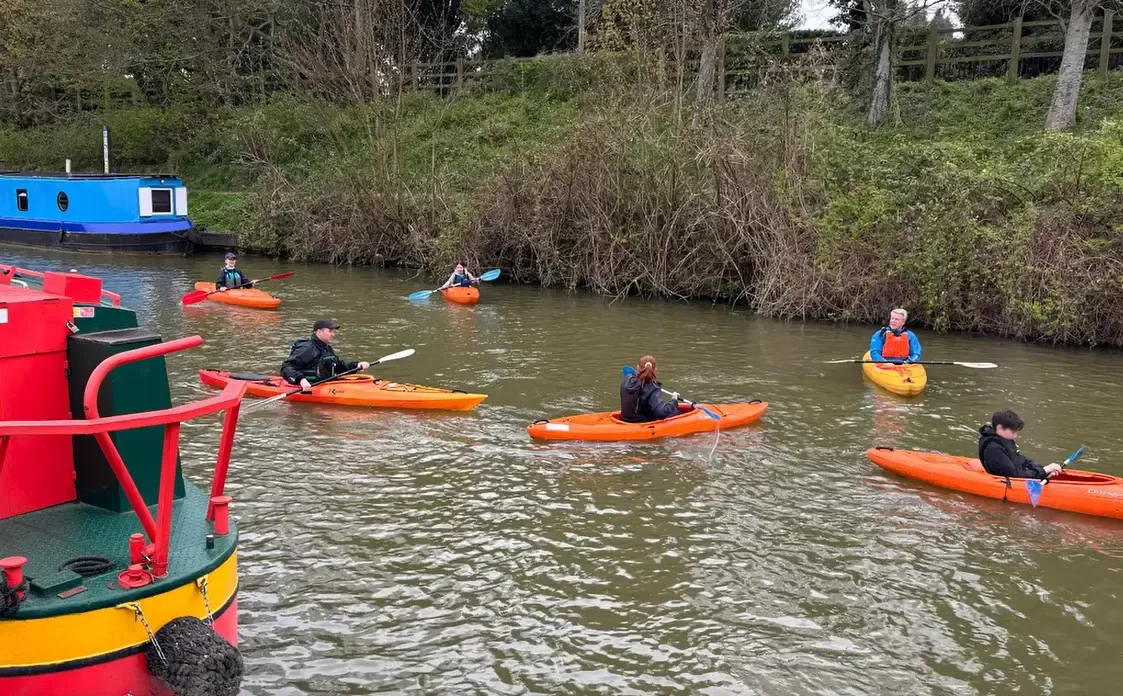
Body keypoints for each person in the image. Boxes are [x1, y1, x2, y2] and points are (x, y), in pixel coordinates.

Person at [280, 319, 370, 391]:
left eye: (333, 331)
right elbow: (287, 367)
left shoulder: (326, 348)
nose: (333, 334)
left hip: (327, 385)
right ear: (319, 332)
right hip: (309, 386)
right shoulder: (307, 348)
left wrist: (357, 365)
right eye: (330, 331)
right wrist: (301, 380)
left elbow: (338, 366)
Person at [978, 409, 1062, 480]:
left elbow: (1018, 459)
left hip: (1014, 474)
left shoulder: (1005, 438)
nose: (1015, 436)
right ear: (1000, 428)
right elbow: (1013, 475)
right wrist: (1043, 471)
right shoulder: (993, 449)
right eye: (1013, 432)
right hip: (1007, 480)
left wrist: (1041, 469)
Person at [619, 355, 686, 423]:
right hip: (642, 423)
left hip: (624, 420)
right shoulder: (653, 388)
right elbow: (661, 413)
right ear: (655, 369)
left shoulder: (626, 379)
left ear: (637, 367)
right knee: (676, 413)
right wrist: (674, 400)